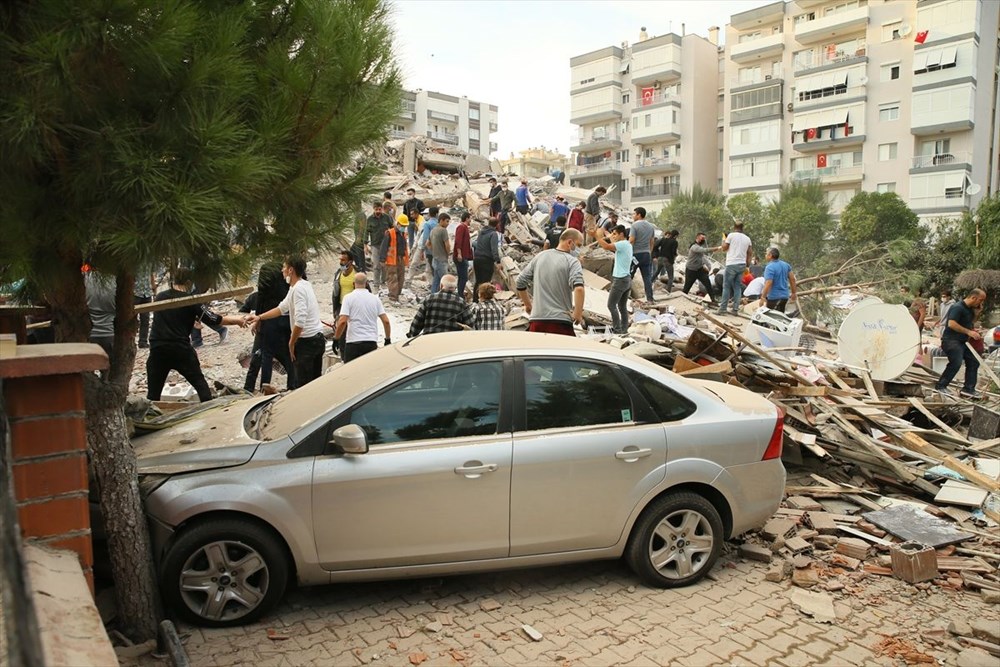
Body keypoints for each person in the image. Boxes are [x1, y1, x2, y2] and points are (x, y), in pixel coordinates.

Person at [147, 268, 248, 402]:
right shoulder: (191, 301)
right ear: (189, 282)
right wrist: (237, 320)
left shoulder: (160, 297)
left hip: (157, 349)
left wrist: (191, 321)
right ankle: (211, 414)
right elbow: (213, 319)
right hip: (180, 349)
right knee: (201, 387)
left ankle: (147, 419)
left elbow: (169, 319)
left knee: (153, 396)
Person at [250, 255, 325, 387]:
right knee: (314, 383)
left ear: (291, 270)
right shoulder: (300, 286)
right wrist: (260, 317)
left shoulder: (298, 290)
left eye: (284, 267)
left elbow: (300, 322)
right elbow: (281, 308)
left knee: (306, 386)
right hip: (315, 340)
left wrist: (291, 342)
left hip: (307, 343)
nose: (282, 271)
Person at [515, 228, 586, 337]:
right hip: (560, 323)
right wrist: (578, 313)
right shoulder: (572, 261)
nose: (579, 250)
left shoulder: (540, 256)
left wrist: (528, 305)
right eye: (578, 245)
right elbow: (579, 288)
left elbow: (520, 281)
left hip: (537, 321)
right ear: (570, 242)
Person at [244, 261, 294, 391]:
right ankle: (293, 386)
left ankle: (259, 387)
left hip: (268, 323)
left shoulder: (264, 289)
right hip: (285, 322)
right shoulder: (287, 287)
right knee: (289, 357)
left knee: (264, 356)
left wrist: (258, 319)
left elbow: (261, 304)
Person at [935, 288, 987, 399]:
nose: (981, 303)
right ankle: (941, 386)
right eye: (980, 300)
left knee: (974, 361)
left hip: (964, 341)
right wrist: (969, 332)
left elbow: (970, 322)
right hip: (951, 340)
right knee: (956, 362)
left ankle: (968, 389)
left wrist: (977, 313)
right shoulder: (957, 307)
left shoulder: (969, 309)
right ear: (973, 297)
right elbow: (951, 324)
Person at [335, 272, 391, 362]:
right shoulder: (375, 299)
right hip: (370, 342)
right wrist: (387, 339)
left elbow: (342, 321)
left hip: (353, 342)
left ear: (353, 284)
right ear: (367, 283)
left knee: (351, 373)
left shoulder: (348, 298)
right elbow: (386, 321)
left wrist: (336, 338)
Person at [595, 224, 633, 335]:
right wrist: (609, 235)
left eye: (615, 234)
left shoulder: (622, 244)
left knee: (611, 305)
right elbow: (611, 242)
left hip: (620, 279)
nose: (614, 236)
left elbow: (607, 247)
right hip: (626, 279)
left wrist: (597, 237)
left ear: (622, 234)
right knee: (622, 306)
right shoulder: (627, 244)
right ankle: (624, 329)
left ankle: (617, 330)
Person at [408, 274, 472, 336]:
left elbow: (418, 321)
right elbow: (470, 325)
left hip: (430, 340)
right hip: (452, 342)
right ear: (455, 288)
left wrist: (411, 335)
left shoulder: (429, 299)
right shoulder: (461, 302)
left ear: (441, 286)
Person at [718, 221, 753, 316]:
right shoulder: (747, 239)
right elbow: (749, 253)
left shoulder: (731, 236)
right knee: (737, 286)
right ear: (742, 228)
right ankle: (735, 309)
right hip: (742, 265)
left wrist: (723, 239)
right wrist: (747, 265)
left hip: (731, 264)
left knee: (726, 286)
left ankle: (722, 309)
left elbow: (724, 248)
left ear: (734, 227)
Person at [85, 271, 116, 358]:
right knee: (111, 369)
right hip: (110, 332)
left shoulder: (83, 280)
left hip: (89, 334)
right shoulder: (115, 281)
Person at [681, 233, 720, 302]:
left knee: (708, 284)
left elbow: (700, 258)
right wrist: (717, 248)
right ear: (697, 238)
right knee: (687, 287)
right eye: (702, 238)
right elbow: (705, 250)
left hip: (699, 270)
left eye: (704, 238)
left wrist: (703, 265)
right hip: (691, 270)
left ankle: (713, 299)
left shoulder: (698, 246)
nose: (703, 240)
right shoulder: (694, 247)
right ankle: (682, 299)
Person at [629, 207, 656, 303]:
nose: (633, 216)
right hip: (646, 254)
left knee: (629, 275)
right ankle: (650, 298)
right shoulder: (651, 226)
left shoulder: (635, 225)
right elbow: (652, 241)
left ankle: (625, 296)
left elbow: (631, 240)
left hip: (636, 254)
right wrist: (649, 252)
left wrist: (627, 251)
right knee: (647, 277)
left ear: (639, 215)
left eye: (634, 214)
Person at [756, 247, 796, 312]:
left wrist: (763, 297)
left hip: (774, 297)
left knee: (771, 319)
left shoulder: (769, 267)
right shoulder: (786, 265)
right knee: (780, 317)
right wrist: (794, 293)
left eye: (766, 254)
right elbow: (792, 279)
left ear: (770, 255)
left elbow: (768, 283)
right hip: (785, 296)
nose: (765, 255)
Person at [473, 218, 502, 303]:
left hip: (477, 259)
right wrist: (498, 261)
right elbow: (494, 249)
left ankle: (475, 301)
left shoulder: (481, 232)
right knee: (486, 283)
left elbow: (475, 244)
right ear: (497, 225)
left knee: (478, 281)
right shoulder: (493, 234)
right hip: (486, 260)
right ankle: (484, 302)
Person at [365, 203, 393, 289]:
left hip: (385, 244)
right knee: (376, 264)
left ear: (382, 209)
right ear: (373, 209)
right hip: (375, 245)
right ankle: (376, 283)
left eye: (379, 209)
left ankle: (383, 281)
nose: (378, 211)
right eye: (376, 209)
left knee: (384, 264)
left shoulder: (386, 217)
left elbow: (392, 228)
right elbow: (366, 232)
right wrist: (365, 245)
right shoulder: (370, 219)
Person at [381, 214, 410, 301]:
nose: (404, 227)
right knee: (392, 278)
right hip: (391, 260)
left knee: (401, 278)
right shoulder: (390, 233)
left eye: (405, 226)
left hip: (400, 259)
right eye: (403, 225)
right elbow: (384, 247)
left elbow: (404, 247)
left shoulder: (403, 234)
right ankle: (393, 297)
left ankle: (397, 294)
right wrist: (382, 259)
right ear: (398, 223)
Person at [428, 212, 451, 294]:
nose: (448, 224)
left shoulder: (433, 230)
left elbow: (428, 244)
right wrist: (447, 254)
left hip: (435, 259)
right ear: (441, 220)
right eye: (447, 221)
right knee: (446, 282)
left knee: (436, 281)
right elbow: (447, 245)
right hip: (442, 260)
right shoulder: (443, 230)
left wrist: (434, 250)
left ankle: (433, 296)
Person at [453, 212, 473, 300]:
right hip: (460, 256)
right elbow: (458, 241)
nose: (471, 220)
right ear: (467, 218)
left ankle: (459, 294)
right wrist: (459, 254)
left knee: (462, 277)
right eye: (470, 218)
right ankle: (459, 295)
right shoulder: (461, 227)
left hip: (464, 255)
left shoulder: (464, 228)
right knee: (463, 277)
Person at [134, 267, 155, 348]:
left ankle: (143, 341)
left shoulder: (149, 260)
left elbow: (151, 274)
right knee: (132, 319)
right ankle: (131, 341)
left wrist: (153, 287)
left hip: (147, 292)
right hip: (135, 292)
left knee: (145, 319)